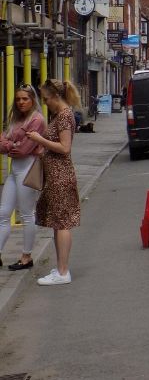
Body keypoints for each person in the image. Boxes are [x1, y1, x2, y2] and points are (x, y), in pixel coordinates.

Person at [26, 79, 81, 286]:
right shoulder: (60, 115)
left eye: (47, 99)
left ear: (56, 97)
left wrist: (39, 140)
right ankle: (60, 268)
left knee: (62, 222)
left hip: (61, 176)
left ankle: (63, 271)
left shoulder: (65, 116)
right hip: (56, 175)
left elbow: (65, 148)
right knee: (59, 222)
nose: (45, 103)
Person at [0, 84, 46, 271]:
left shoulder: (37, 120)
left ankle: (26, 257)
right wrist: (12, 144)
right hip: (14, 171)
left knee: (27, 214)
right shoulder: (15, 119)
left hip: (28, 169)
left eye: (25, 99)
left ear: (33, 100)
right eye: (18, 99)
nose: (20, 102)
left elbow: (23, 150)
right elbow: (4, 142)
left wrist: (9, 144)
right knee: (3, 214)